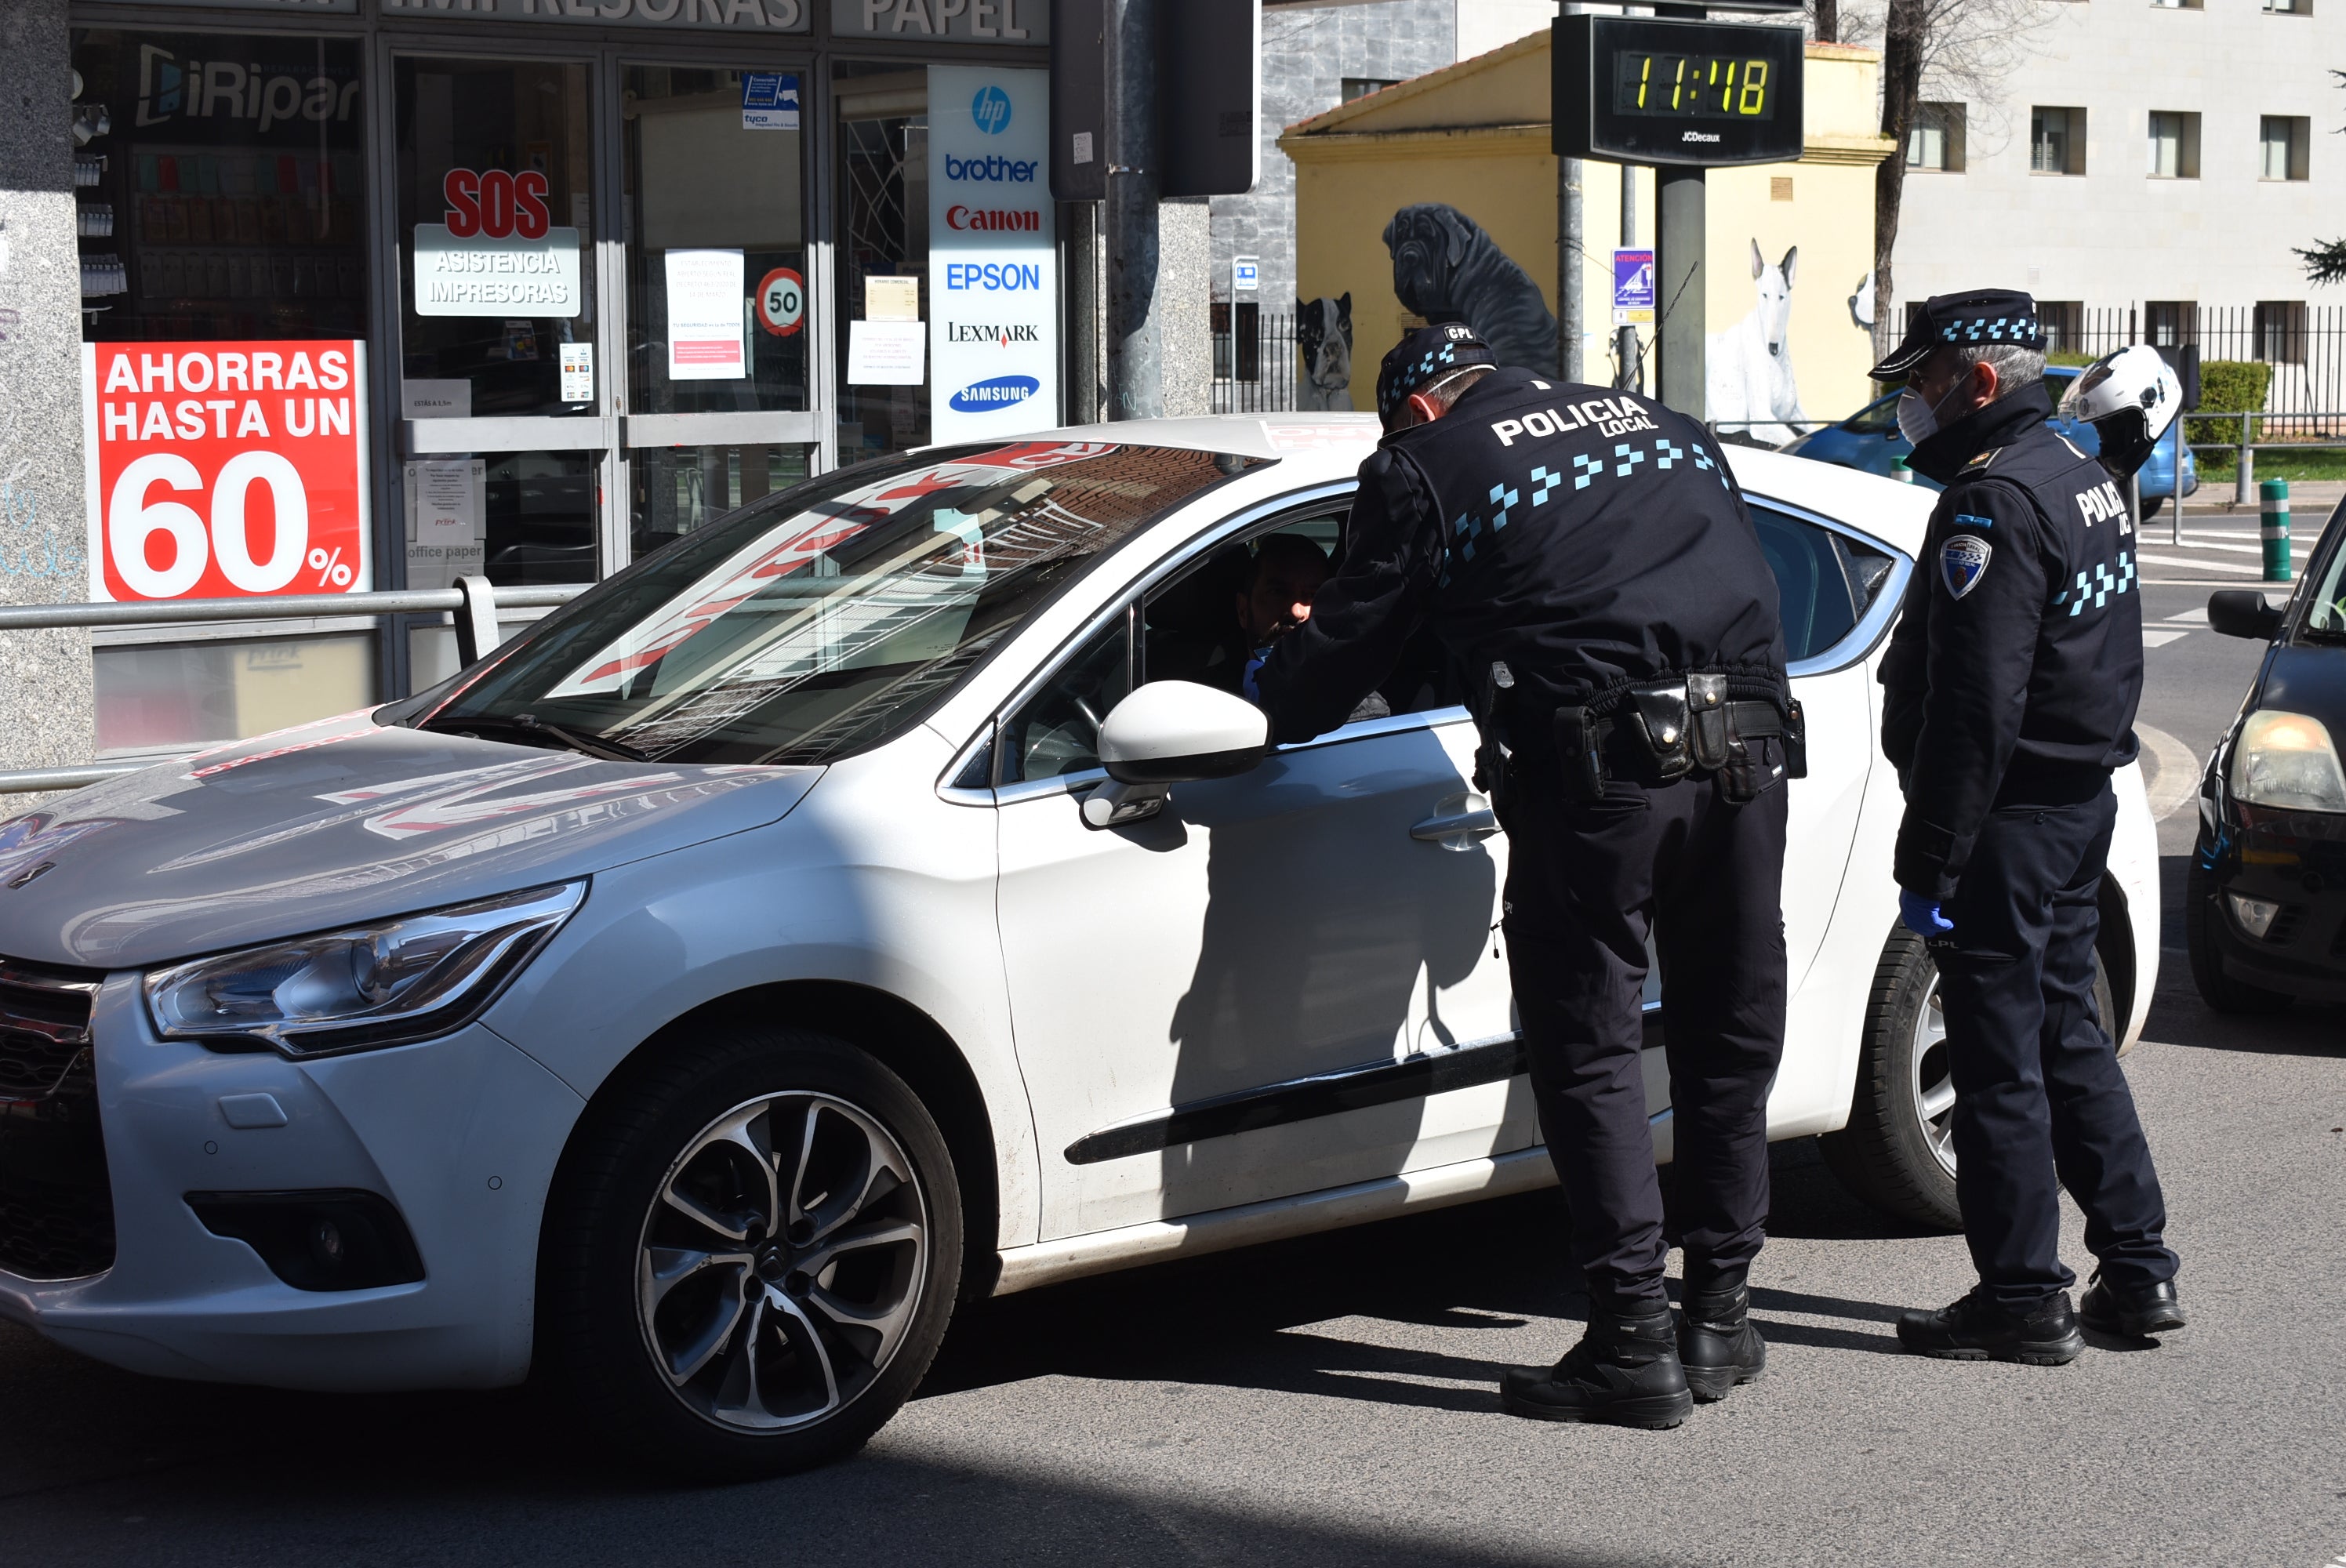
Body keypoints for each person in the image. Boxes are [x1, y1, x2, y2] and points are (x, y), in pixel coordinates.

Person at [1252, 322, 1799, 1430]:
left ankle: (1633, 1342)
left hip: (1602, 783)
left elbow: (1344, 656)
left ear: (1414, 410)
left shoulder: (1424, 469)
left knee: (1589, 1046)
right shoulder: (1669, 430)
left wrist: (1261, 687)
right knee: (1726, 1032)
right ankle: (1720, 1315)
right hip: (1747, 758)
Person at [1872, 294, 2185, 1363]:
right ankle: (2138, 1270)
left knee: (2001, 1060)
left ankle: (2020, 1295)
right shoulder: (2079, 475)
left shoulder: (1991, 503)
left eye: (1924, 383)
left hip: (2008, 821)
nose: (1913, 405)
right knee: (2066, 1036)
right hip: (2078, 801)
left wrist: (1934, 855)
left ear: (1981, 382)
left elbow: (1976, 707)